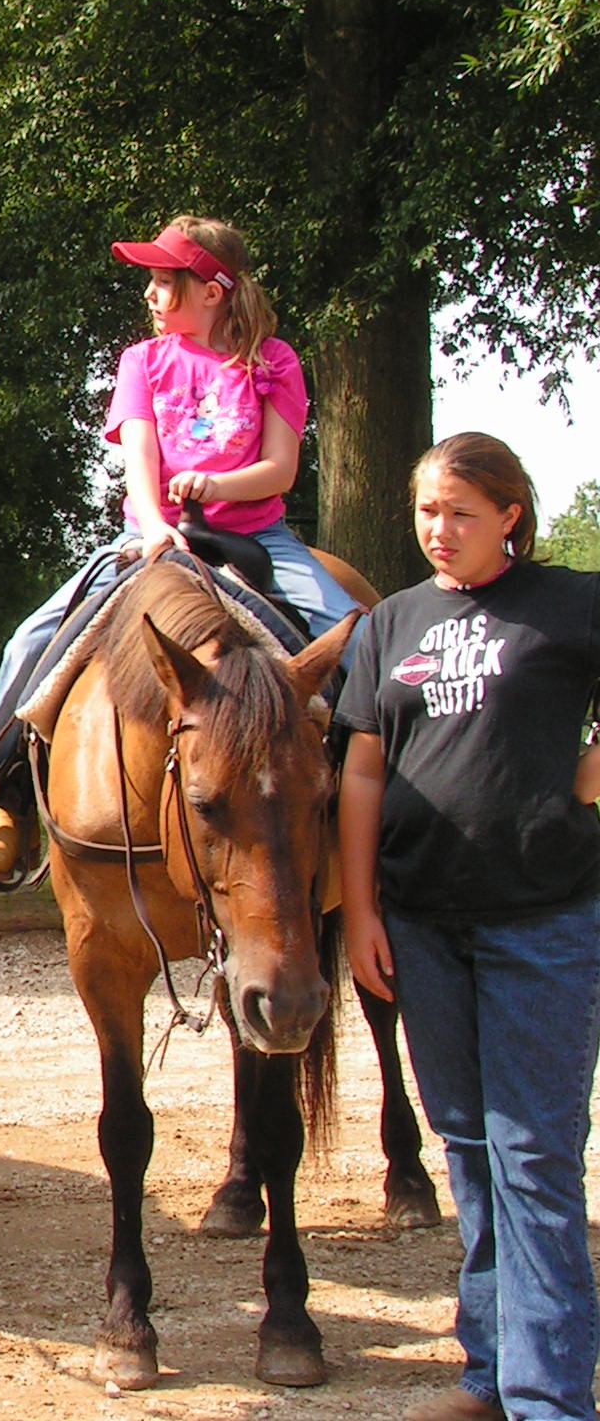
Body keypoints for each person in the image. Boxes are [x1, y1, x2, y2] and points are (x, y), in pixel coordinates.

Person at [0, 214, 360, 887]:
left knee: (360, 638)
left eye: (166, 281)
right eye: (150, 280)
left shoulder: (273, 361)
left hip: (257, 535)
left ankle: (372, 806)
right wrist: (152, 523)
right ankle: (8, 808)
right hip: (152, 531)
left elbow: (281, 469)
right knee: (28, 644)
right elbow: (140, 458)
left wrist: (217, 484)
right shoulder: (142, 361)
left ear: (213, 291)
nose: (149, 293)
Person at [336, 434, 600, 1421]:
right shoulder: (390, 623)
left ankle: (549, 1397)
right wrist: (360, 910)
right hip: (420, 923)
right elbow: (363, 770)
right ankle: (489, 1374)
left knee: (533, 1154)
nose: (438, 530)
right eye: (426, 511)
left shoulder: (571, 603)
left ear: (510, 516)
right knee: (466, 1147)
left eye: (459, 512)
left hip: (543, 920)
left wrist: (588, 771)